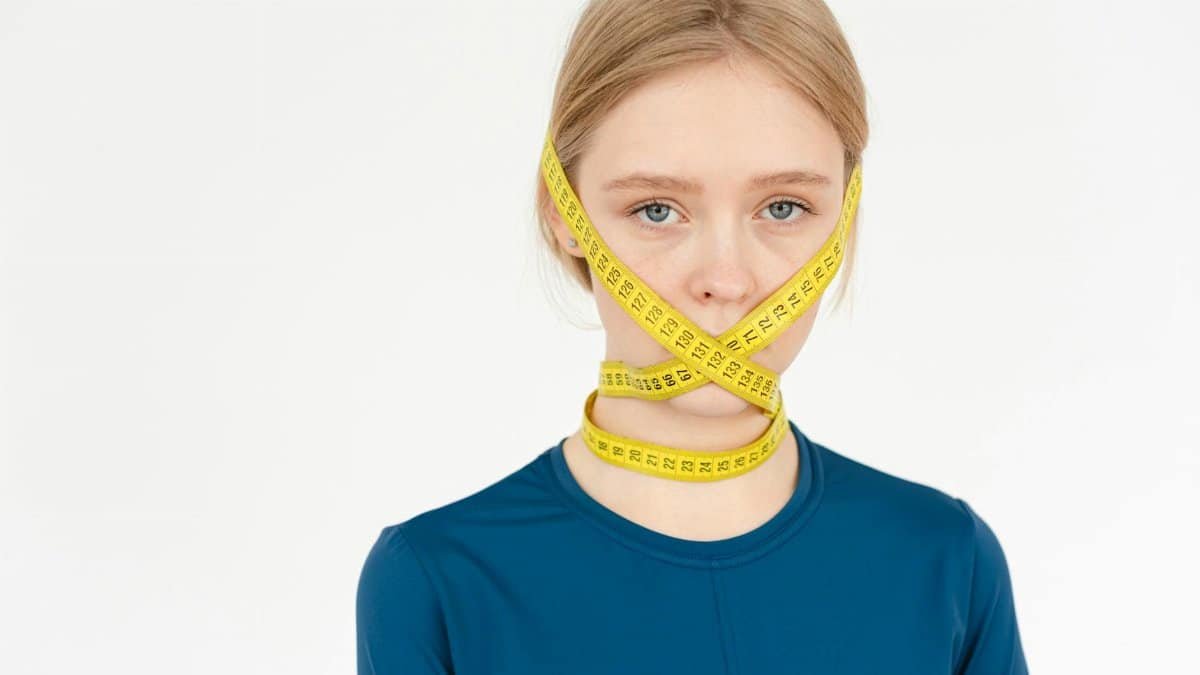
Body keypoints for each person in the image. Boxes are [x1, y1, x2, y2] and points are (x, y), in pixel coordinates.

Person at [356, 1, 1028, 673]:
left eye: (784, 207)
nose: (726, 280)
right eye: (656, 210)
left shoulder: (946, 564)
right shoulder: (438, 584)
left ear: (845, 217)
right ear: (563, 215)